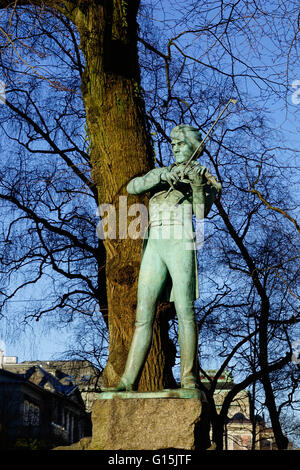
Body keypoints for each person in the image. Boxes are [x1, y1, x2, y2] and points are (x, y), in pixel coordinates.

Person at [110, 124, 221, 391]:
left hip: (181, 240)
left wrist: (196, 185)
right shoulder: (163, 173)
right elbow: (134, 186)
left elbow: (201, 212)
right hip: (154, 244)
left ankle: (189, 377)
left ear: (193, 147)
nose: (176, 149)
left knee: (185, 311)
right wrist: (162, 175)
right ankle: (127, 380)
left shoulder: (203, 177)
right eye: (173, 145)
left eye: (181, 144)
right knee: (143, 315)